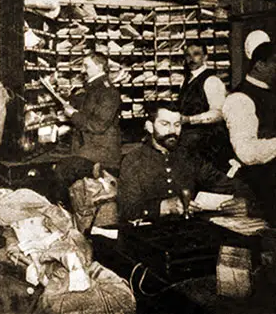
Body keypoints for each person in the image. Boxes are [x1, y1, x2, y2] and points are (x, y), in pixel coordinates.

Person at [118, 101, 249, 223]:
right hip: (149, 234)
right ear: (149, 127)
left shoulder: (188, 156)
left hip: (187, 230)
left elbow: (224, 183)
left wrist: (245, 201)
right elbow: (126, 210)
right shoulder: (134, 160)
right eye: (165, 124)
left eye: (177, 124)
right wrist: (165, 207)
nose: (172, 131)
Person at [53, 52, 121, 205]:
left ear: (99, 67)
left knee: (62, 170)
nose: (82, 70)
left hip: (102, 151)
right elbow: (87, 108)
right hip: (89, 146)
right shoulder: (94, 88)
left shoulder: (108, 91)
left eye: (86, 66)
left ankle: (64, 212)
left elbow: (98, 125)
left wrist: (73, 114)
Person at [223, 41, 276, 226]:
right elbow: (247, 152)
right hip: (256, 188)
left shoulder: (269, 93)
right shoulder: (240, 99)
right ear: (260, 65)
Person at [178, 42, 232, 170]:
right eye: (187, 55)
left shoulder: (212, 81)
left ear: (205, 57)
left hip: (209, 140)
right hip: (191, 136)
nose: (191, 59)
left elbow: (219, 114)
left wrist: (189, 119)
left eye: (196, 54)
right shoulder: (184, 81)